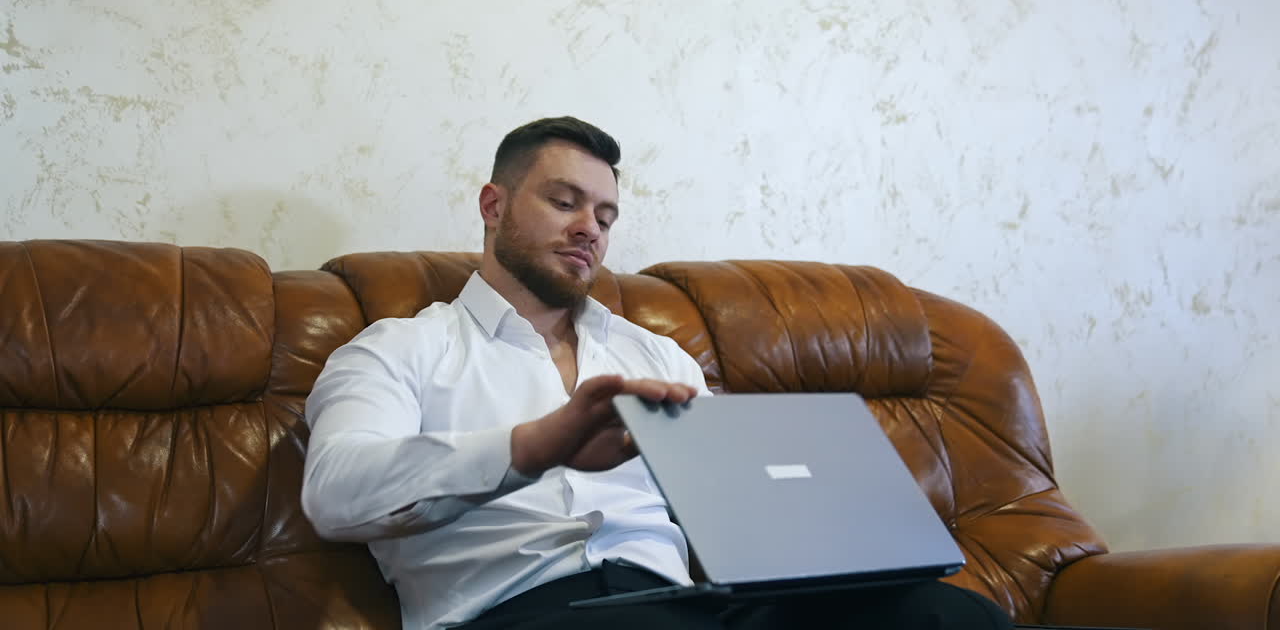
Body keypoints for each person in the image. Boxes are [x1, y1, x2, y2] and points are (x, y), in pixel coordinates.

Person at [301, 117, 1013, 630]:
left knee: (943, 612)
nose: (591, 229)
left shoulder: (658, 358)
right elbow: (336, 493)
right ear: (494, 206)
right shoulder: (396, 351)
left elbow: (738, 519)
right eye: (564, 201)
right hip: (517, 609)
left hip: (689, 604)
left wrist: (834, 519)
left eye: (606, 215)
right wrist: (536, 446)